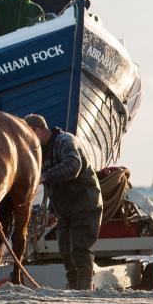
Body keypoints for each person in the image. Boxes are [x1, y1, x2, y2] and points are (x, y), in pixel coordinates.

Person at [24, 114, 103, 290]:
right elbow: (56, 184)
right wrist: (52, 210)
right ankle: (75, 290)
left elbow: (73, 167)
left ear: (37, 130)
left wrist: (44, 176)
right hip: (64, 210)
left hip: (85, 205)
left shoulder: (65, 140)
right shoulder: (43, 151)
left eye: (29, 137)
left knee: (80, 251)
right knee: (66, 254)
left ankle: (83, 292)